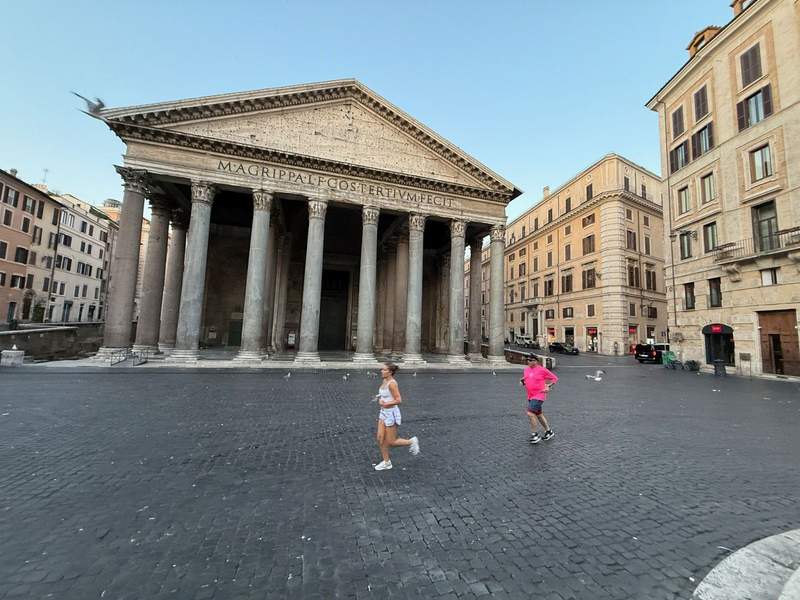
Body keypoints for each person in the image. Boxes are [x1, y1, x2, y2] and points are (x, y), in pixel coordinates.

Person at [374, 362, 420, 471]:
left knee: (391, 441)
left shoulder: (392, 383)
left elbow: (398, 400)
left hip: (391, 414)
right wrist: (379, 398)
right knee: (380, 438)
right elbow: (385, 394)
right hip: (383, 412)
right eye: (382, 369)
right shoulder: (384, 380)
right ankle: (387, 462)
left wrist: (385, 403)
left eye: (384, 370)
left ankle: (412, 441)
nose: (381, 371)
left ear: (390, 372)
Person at [521, 354, 558, 444]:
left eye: (530, 360)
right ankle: (549, 431)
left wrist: (548, 386)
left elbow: (555, 378)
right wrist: (523, 381)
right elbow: (526, 379)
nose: (528, 361)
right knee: (539, 414)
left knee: (530, 413)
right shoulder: (526, 370)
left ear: (535, 361)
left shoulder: (542, 370)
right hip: (530, 395)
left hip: (539, 395)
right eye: (527, 360)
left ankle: (535, 435)